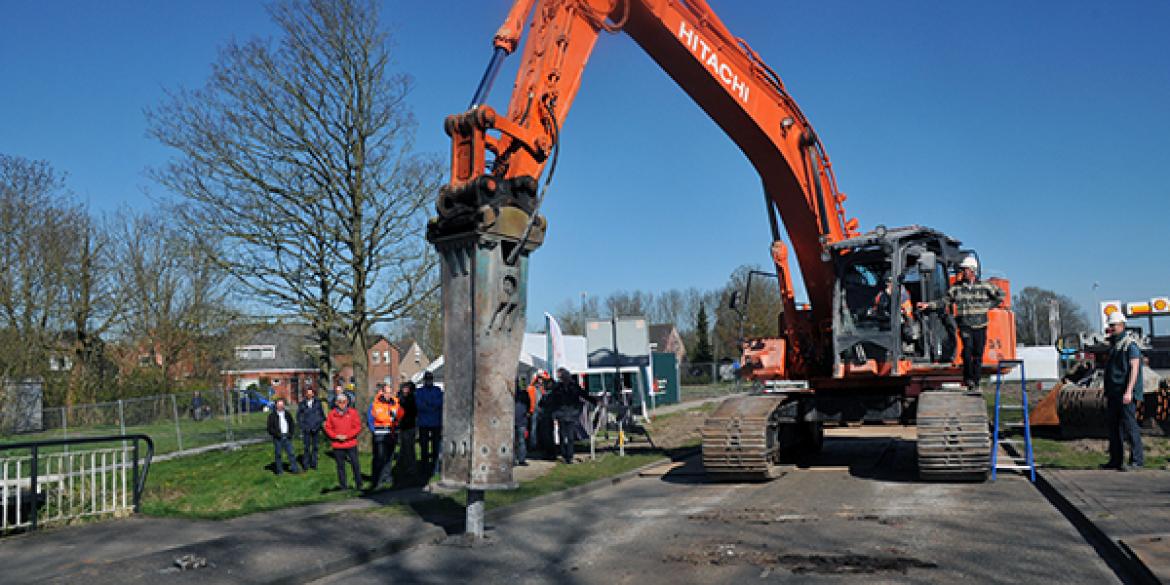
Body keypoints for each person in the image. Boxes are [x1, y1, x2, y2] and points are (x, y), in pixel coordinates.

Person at [917, 256, 1005, 390]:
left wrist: (988, 306)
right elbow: (944, 301)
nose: (962, 272)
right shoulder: (956, 288)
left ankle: (975, 381)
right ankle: (968, 379)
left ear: (972, 270)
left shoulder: (984, 286)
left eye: (965, 270)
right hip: (965, 325)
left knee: (978, 354)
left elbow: (1001, 295)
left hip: (980, 325)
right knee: (967, 351)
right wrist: (928, 305)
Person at [1101, 312, 1144, 471]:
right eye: (1110, 325)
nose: (1110, 328)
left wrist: (1129, 391)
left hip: (1125, 393)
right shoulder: (1114, 346)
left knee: (1129, 425)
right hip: (1114, 392)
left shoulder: (1129, 345)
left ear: (1122, 325)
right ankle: (1116, 459)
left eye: (1113, 325)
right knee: (1114, 427)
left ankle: (1137, 460)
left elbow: (1134, 369)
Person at [545, 368, 592, 464]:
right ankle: (564, 454)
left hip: (570, 414)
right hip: (563, 414)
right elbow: (552, 399)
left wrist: (594, 401)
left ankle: (569, 456)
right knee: (563, 435)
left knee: (569, 436)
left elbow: (584, 394)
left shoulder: (573, 387)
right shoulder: (558, 387)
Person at [367, 384, 404, 489]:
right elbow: (370, 420)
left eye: (390, 392)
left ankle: (386, 477)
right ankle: (377, 479)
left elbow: (401, 415)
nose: (388, 395)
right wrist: (374, 431)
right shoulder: (375, 404)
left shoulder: (395, 403)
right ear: (382, 392)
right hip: (380, 435)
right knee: (379, 457)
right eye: (386, 392)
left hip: (392, 434)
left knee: (389, 457)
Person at [324, 393, 362, 490]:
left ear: (347, 402)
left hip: (351, 443)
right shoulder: (331, 414)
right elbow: (328, 428)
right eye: (340, 402)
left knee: (355, 464)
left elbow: (357, 427)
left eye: (344, 402)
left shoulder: (353, 412)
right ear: (336, 403)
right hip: (338, 445)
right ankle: (343, 486)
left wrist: (347, 436)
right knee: (340, 466)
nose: (342, 404)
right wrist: (336, 436)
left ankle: (359, 484)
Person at [415, 371, 444, 475]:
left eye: (430, 379)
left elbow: (440, 403)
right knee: (424, 447)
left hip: (436, 423)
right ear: (424, 380)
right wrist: (431, 405)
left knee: (436, 447)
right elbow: (419, 405)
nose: (428, 381)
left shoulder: (437, 390)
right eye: (427, 379)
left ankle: (434, 468)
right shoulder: (419, 391)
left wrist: (428, 404)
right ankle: (424, 468)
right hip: (424, 423)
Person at [266, 398, 301, 475]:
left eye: (282, 405)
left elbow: (292, 424)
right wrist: (277, 434)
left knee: (291, 453)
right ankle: (279, 471)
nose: (281, 406)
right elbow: (269, 428)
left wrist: (290, 433)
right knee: (278, 454)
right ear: (276, 405)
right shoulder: (272, 416)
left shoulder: (287, 414)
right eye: (279, 405)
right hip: (278, 438)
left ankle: (295, 469)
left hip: (287, 436)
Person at [297, 387, 326, 470]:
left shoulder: (318, 403)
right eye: (308, 393)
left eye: (311, 393)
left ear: (313, 394)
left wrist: (318, 425)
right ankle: (305, 465)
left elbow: (322, 416)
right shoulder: (302, 404)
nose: (309, 395)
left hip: (315, 428)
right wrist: (302, 426)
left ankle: (314, 464)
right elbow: (299, 417)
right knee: (306, 448)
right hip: (306, 429)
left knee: (315, 447)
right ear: (306, 394)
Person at [395, 381, 418, 477]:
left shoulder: (411, 399)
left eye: (407, 388)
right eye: (404, 388)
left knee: (410, 448)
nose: (405, 390)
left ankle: (411, 467)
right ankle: (403, 466)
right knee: (403, 447)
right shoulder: (399, 398)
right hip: (402, 426)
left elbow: (414, 412)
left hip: (410, 426)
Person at [514, 379, 532, 466]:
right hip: (518, 419)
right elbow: (529, 405)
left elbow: (529, 405)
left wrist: (527, 413)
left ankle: (520, 459)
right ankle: (518, 459)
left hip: (520, 420)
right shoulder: (524, 393)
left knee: (520, 441)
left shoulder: (524, 394)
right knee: (519, 441)